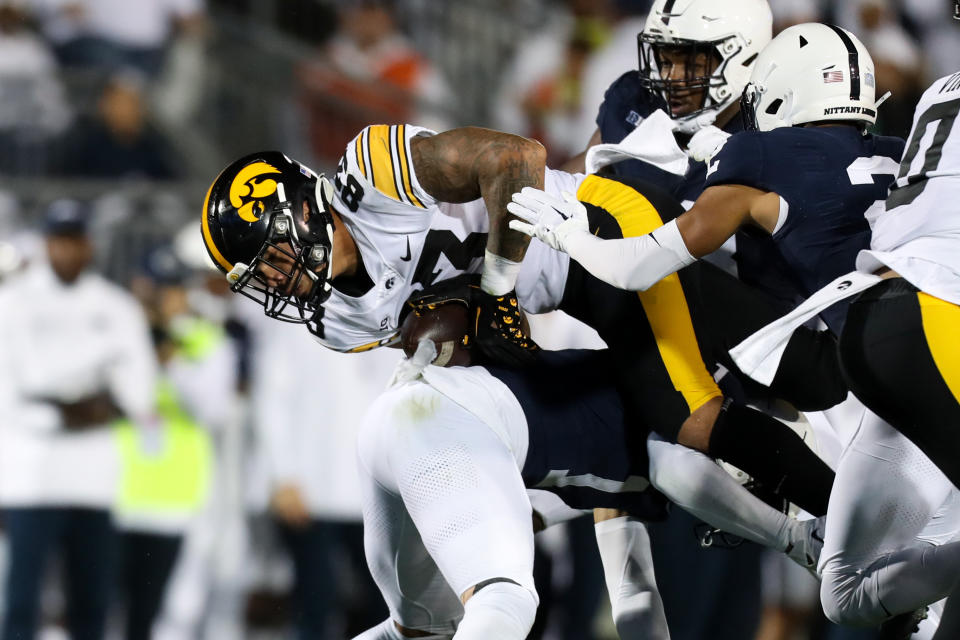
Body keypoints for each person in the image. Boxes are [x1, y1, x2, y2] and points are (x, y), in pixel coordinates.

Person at [200, 130, 834, 636]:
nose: (276, 284)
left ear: (304, 209)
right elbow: (453, 338)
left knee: (694, 413)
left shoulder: (371, 173)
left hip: (596, 234)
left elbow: (516, 158)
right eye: (260, 278)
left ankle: (836, 519)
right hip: (546, 298)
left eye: (275, 259)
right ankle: (802, 524)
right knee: (603, 451)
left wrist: (497, 285)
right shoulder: (331, 319)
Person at [509, 22, 960, 636]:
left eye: (690, 58)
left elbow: (644, 256)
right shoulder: (894, 144)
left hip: (844, 357)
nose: (674, 75)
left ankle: (803, 521)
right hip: (908, 337)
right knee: (847, 591)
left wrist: (570, 235)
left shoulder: (761, 153)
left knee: (671, 419)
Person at [0, 199, 157, 640]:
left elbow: (140, 393)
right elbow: (7, 391)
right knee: (21, 605)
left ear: (89, 245)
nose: (67, 251)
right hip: (29, 478)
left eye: (75, 241)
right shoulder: (12, 302)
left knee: (92, 606)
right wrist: (79, 402)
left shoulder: (116, 306)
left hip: (94, 480)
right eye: (59, 241)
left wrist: (60, 397)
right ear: (47, 243)